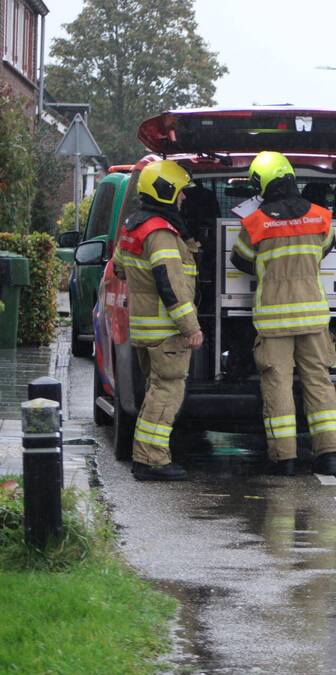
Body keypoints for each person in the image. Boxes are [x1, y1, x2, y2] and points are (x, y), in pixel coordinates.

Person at [231, 151, 336, 476]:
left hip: (274, 320)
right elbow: (326, 247)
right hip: (313, 317)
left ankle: (284, 459)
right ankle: (330, 455)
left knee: (278, 384)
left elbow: (239, 259)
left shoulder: (255, 223)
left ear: (262, 184)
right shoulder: (320, 217)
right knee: (318, 381)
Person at [113, 160, 203, 482]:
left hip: (145, 327)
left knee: (155, 391)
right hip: (167, 331)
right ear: (166, 192)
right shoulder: (161, 233)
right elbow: (171, 286)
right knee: (166, 393)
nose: (183, 198)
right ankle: (151, 460)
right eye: (180, 192)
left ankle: (145, 456)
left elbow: (120, 268)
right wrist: (191, 328)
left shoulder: (133, 227)